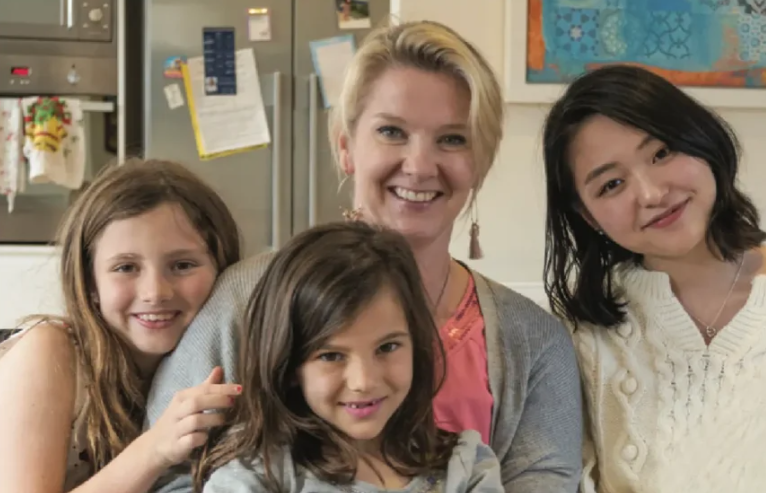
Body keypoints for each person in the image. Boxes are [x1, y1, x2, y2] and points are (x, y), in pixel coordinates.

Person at [146, 20, 582, 493]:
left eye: (453, 139)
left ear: (481, 163)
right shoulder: (243, 300)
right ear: (346, 147)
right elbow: (167, 474)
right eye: (392, 131)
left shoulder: (535, 343)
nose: (419, 165)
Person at [542, 64, 766, 492]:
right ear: (588, 216)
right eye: (612, 184)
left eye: (661, 153)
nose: (651, 194)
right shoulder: (578, 336)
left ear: (702, 139)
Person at [193, 221, 504, 492]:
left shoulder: (466, 466)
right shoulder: (256, 477)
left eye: (387, 347)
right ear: (289, 365)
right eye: (331, 356)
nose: (364, 381)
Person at [0, 159, 244, 492]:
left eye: (183, 265)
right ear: (90, 282)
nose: (155, 292)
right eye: (126, 267)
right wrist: (154, 449)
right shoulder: (49, 352)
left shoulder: (217, 358)